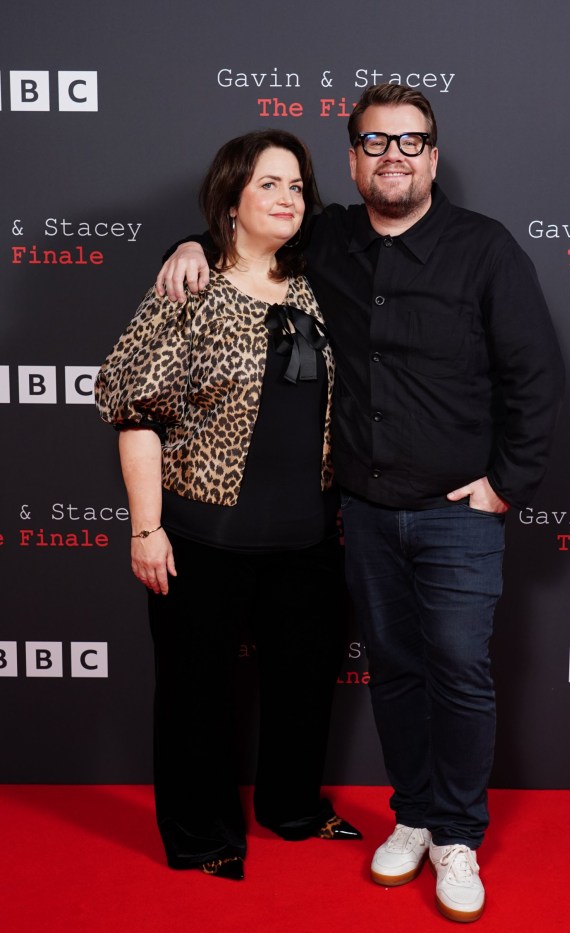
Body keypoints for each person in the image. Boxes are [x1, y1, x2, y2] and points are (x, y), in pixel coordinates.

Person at [156, 84, 564, 919]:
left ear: (433, 156)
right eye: (375, 143)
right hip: (366, 514)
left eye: (410, 143)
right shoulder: (329, 237)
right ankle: (412, 813)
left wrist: (507, 484)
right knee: (397, 673)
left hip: (459, 515)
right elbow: (248, 237)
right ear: (352, 159)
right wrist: (187, 245)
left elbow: (535, 377)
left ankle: (456, 835)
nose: (393, 157)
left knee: (458, 670)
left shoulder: (486, 250)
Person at [95, 129, 361, 883]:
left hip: (308, 536)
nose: (288, 199)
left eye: (297, 187)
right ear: (232, 198)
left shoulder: (315, 283)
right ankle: (200, 833)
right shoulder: (189, 286)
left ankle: (294, 809)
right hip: (203, 534)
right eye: (269, 185)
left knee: (304, 686)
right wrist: (145, 529)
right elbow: (135, 411)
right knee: (194, 697)